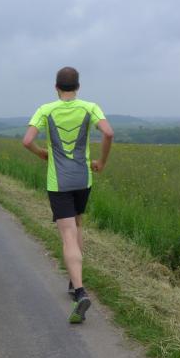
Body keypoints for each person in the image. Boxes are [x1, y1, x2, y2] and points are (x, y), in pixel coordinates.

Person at [22, 66, 114, 324]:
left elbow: (26, 140)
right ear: (78, 87)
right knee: (78, 225)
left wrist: (42, 153)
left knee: (67, 235)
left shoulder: (46, 110)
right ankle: (75, 283)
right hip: (83, 180)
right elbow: (108, 132)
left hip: (59, 182)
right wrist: (102, 162)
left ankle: (80, 292)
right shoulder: (90, 107)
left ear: (56, 87)